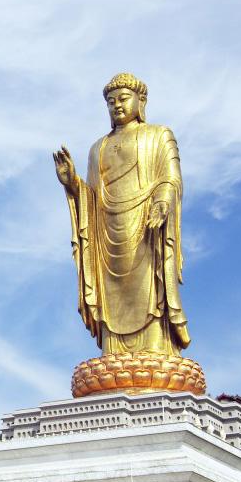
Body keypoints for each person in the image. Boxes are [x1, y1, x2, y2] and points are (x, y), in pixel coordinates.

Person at [53, 73, 190, 356]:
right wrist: (72, 183)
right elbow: (91, 197)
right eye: (111, 102)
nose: (117, 106)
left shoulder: (159, 135)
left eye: (124, 99)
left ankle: (156, 346)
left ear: (141, 101)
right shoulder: (97, 148)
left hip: (147, 225)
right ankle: (113, 351)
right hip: (107, 232)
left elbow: (171, 178)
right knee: (110, 292)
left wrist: (162, 203)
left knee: (151, 287)